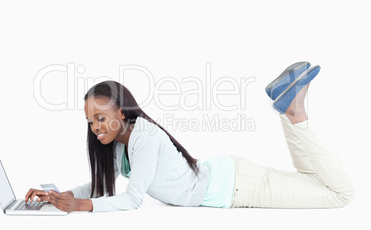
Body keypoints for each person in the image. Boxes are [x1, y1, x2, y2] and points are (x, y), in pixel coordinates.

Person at [25, 61, 355, 212]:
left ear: (121, 113)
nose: (95, 128)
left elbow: (133, 199)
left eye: (100, 118)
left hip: (238, 186)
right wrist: (59, 196)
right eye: (90, 122)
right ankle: (290, 108)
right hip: (231, 178)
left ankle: (293, 112)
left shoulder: (144, 137)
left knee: (339, 194)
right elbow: (100, 186)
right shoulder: (121, 144)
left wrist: (82, 206)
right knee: (314, 179)